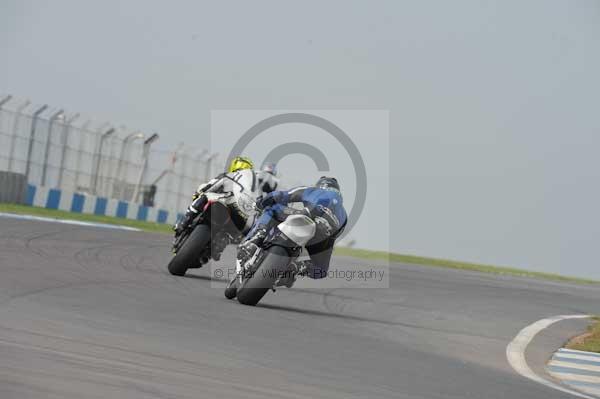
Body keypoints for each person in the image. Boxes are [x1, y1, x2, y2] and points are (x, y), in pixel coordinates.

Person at [238, 176, 347, 287]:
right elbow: (336, 235)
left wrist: (261, 203)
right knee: (321, 270)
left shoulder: (313, 190)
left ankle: (257, 238)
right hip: (324, 234)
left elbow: (283, 195)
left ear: (321, 185)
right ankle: (296, 268)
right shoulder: (343, 214)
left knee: (272, 209)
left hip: (304, 216)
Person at [173, 156, 258, 237]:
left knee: (204, 195)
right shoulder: (252, 186)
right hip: (237, 213)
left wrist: (199, 193)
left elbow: (209, 186)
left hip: (224, 203)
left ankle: (184, 222)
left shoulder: (229, 175)